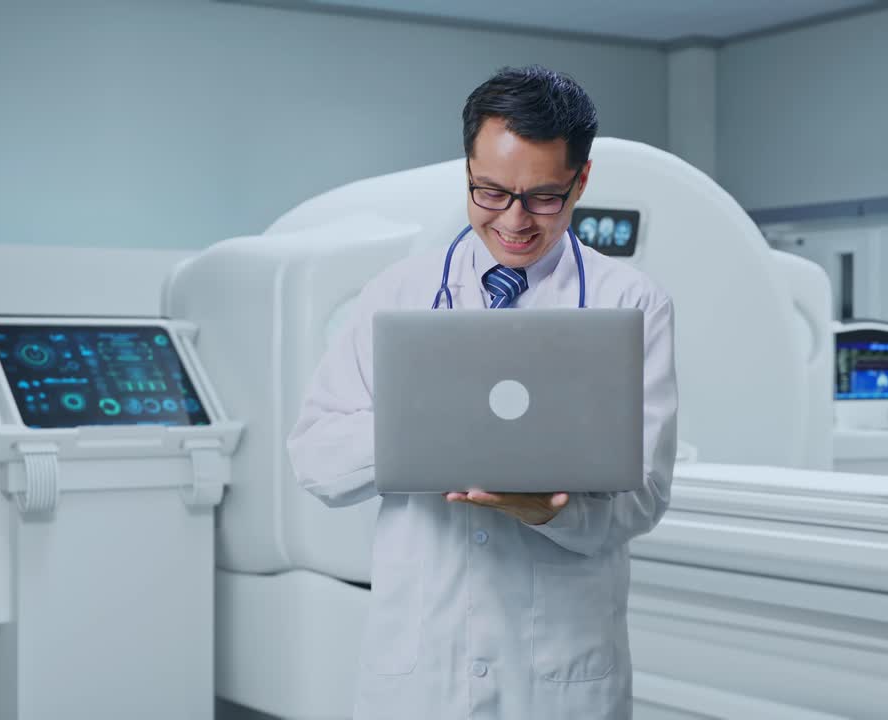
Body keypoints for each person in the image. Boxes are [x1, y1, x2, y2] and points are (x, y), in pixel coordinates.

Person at [286, 65, 678, 720]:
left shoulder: (630, 304)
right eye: (489, 191)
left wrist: (550, 511)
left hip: (558, 676)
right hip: (421, 672)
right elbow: (316, 460)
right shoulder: (398, 295)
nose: (514, 220)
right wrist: (426, 431)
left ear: (581, 180)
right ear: (467, 170)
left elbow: (645, 496)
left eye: (544, 196)